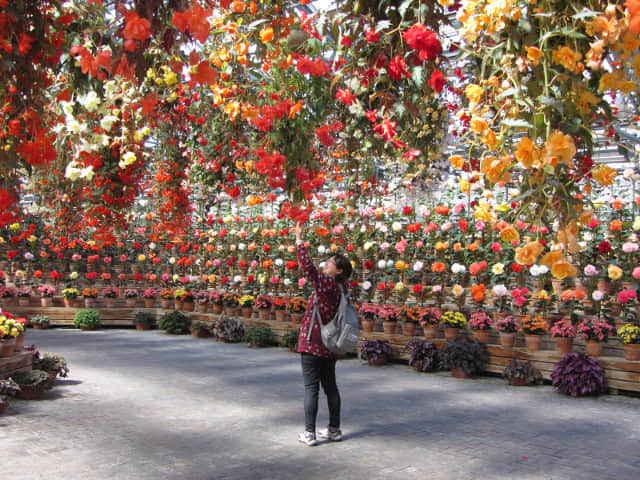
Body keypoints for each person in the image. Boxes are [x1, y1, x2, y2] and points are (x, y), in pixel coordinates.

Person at [294, 222, 353, 446]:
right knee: (330, 386)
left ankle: (309, 433)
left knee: (311, 388)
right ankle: (334, 429)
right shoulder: (341, 287)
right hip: (330, 345)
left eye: (330, 263)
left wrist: (300, 241)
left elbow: (309, 270)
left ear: (338, 271)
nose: (325, 264)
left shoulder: (328, 284)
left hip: (313, 344)